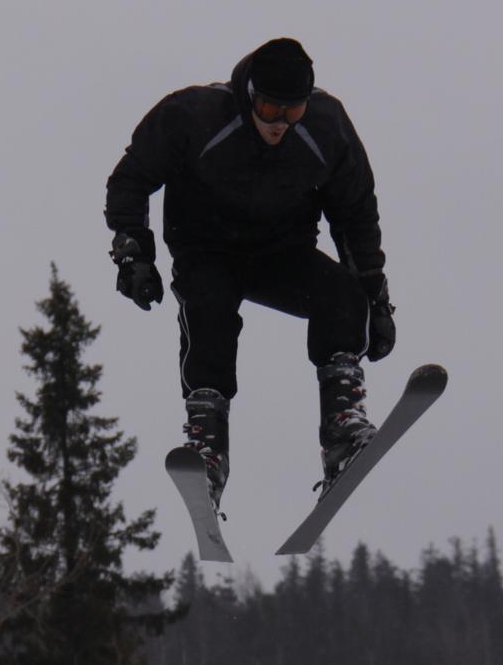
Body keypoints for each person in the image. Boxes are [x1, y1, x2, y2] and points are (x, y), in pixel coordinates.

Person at [105, 37, 395, 510]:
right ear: (249, 95)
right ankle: (208, 446)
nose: (279, 124)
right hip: (206, 250)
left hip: (281, 254)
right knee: (209, 309)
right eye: (268, 109)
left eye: (292, 113)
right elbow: (131, 178)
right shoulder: (193, 115)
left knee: (342, 294)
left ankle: (342, 428)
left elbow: (356, 216)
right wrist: (134, 253)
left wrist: (376, 303)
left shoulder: (327, 128)